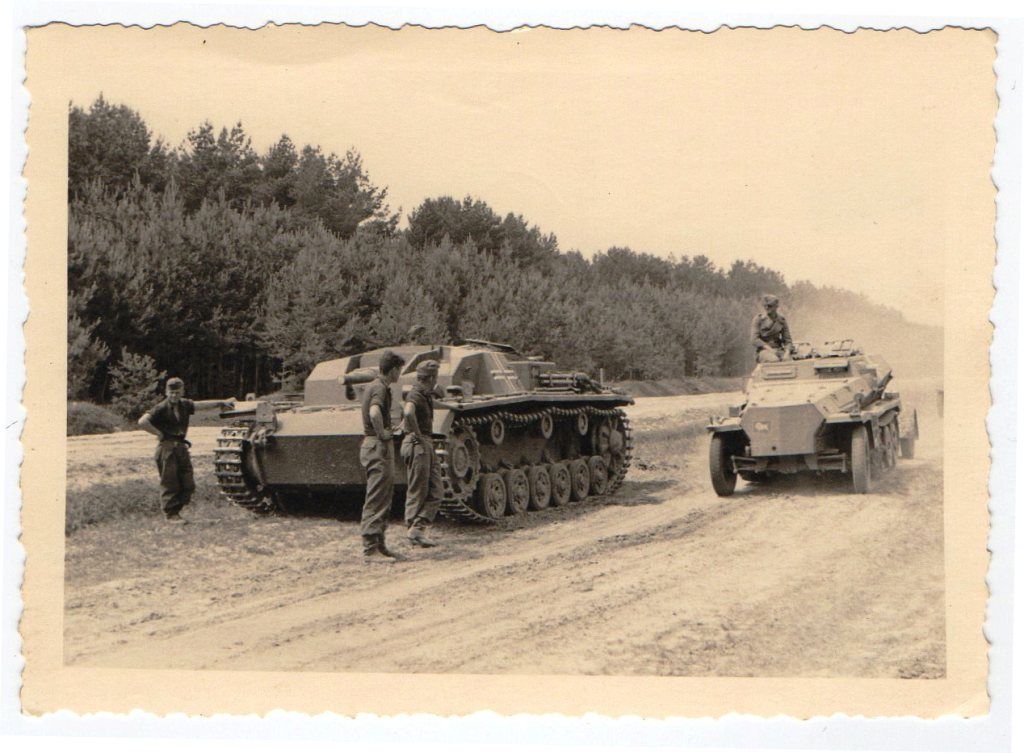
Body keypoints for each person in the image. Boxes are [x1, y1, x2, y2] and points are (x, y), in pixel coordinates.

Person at [138, 378, 235, 523]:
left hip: (181, 447)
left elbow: (201, 405)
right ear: (166, 392)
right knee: (169, 481)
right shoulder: (161, 407)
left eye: (177, 392)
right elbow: (142, 421)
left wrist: (221, 402)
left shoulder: (184, 405)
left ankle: (177, 510)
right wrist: (158, 433)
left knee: (188, 483)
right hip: (167, 448)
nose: (174, 395)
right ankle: (171, 515)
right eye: (171, 392)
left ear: (182, 392)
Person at [359, 349, 406, 562]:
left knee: (384, 495)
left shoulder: (378, 386)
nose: (400, 374)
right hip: (377, 445)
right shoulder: (379, 388)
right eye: (399, 370)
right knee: (377, 496)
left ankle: (380, 544)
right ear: (394, 370)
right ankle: (370, 549)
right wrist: (383, 433)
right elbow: (374, 413)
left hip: (376, 445)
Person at [401, 360, 445, 548]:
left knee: (437, 490)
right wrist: (417, 434)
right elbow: (408, 412)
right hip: (418, 443)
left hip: (425, 443)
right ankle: (414, 530)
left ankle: (418, 529)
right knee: (418, 490)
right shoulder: (416, 394)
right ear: (431, 378)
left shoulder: (424, 393)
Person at [751, 293, 794, 363]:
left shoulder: (781, 320)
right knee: (774, 360)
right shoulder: (758, 319)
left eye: (769, 306)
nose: (767, 308)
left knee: (790, 362)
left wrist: (787, 353)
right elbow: (754, 339)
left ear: (776, 306)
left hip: (779, 350)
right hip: (764, 351)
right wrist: (770, 350)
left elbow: (787, 340)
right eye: (765, 306)